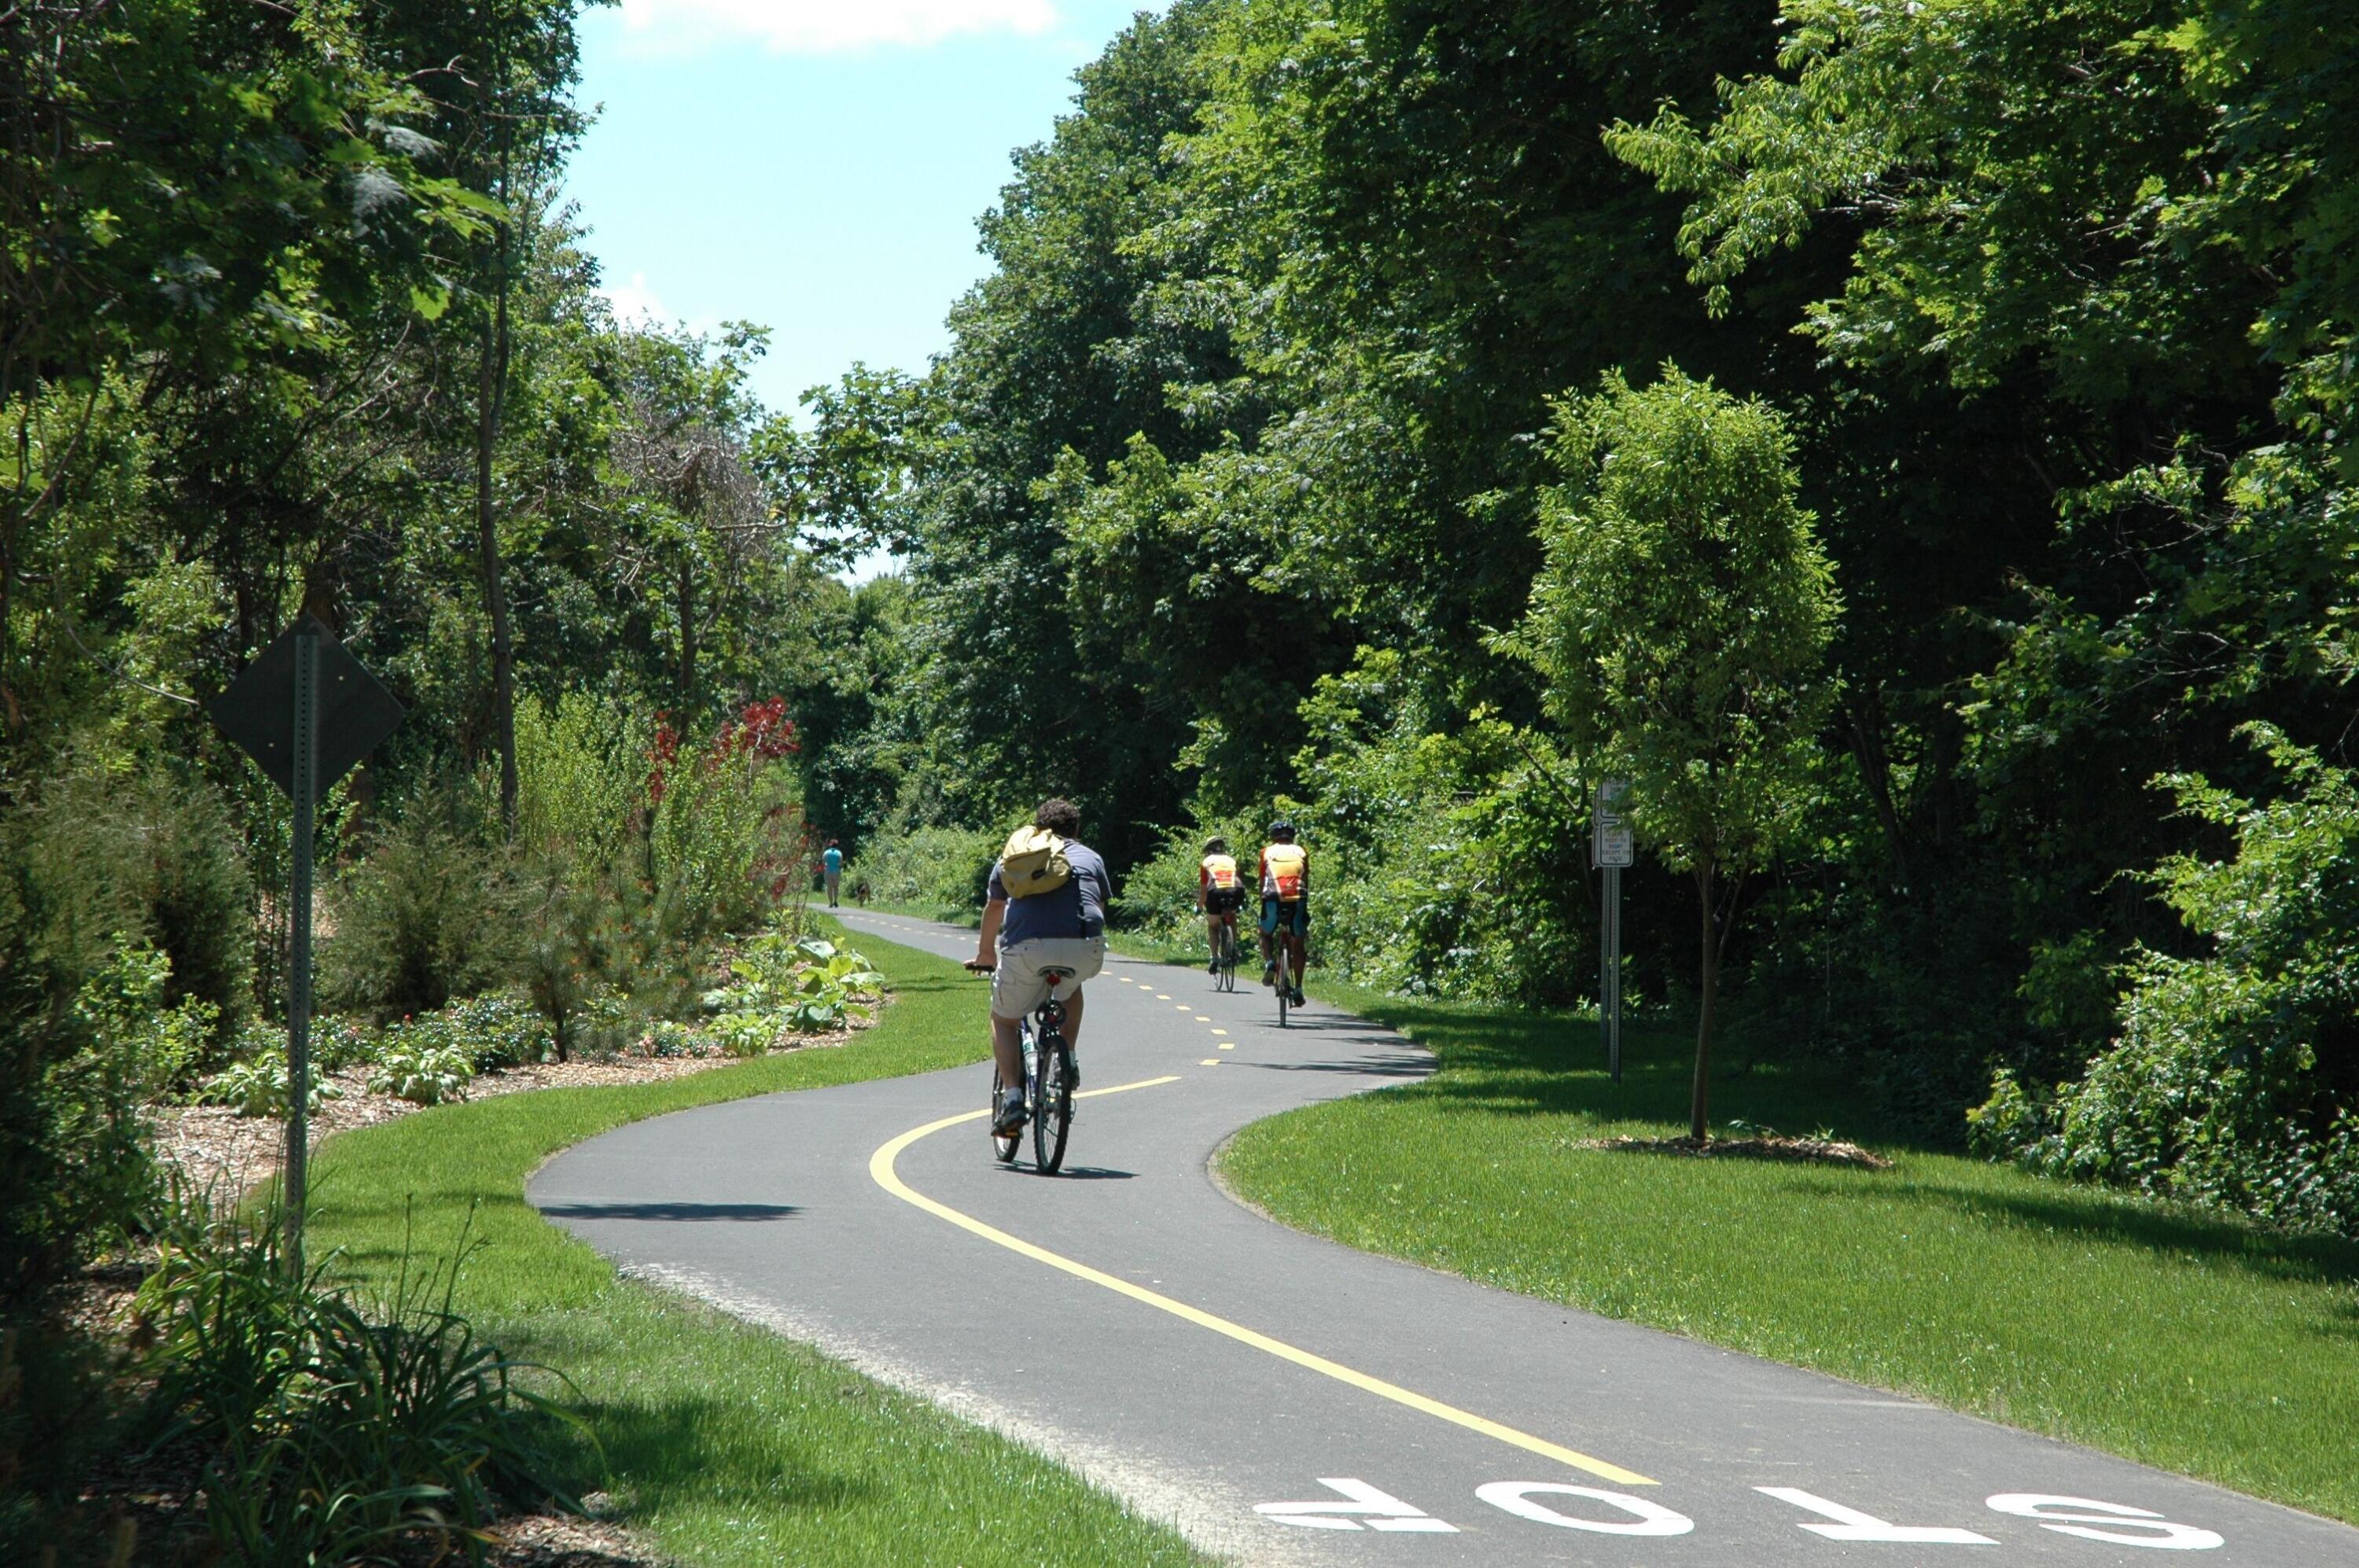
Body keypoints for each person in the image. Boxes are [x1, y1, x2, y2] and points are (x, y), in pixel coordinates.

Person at [966, 799, 1113, 1136]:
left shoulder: (1018, 853)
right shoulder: (1091, 857)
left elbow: (995, 906)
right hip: (1085, 946)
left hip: (1027, 948)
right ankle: (1068, 1060)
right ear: (1076, 829)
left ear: (1038, 826)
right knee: (1071, 989)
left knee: (1005, 1020)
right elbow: (1099, 906)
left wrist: (985, 953)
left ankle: (1014, 1098)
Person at [1257, 819, 1308, 1007]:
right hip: (1297, 898)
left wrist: (1261, 900)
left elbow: (1262, 879)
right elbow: (1306, 878)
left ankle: (1270, 962)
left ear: (1273, 837)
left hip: (1272, 898)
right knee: (1298, 940)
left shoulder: (1266, 852)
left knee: (1265, 933)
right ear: (1292, 837)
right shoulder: (1301, 851)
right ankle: (1299, 989)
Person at [1198, 836, 1246, 974]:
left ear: (1208, 851)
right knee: (1232, 916)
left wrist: (1200, 906)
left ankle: (1214, 958)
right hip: (1235, 890)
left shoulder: (1206, 862)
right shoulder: (1232, 860)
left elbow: (1203, 890)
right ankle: (1234, 948)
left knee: (1213, 926)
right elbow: (1238, 878)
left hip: (1215, 891)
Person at [821, 838, 844, 907]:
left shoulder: (826, 853)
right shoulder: (839, 853)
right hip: (836, 871)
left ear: (830, 845)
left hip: (828, 871)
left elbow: (823, 862)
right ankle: (835, 901)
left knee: (829, 887)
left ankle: (830, 902)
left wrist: (826, 865)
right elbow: (841, 863)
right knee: (836, 887)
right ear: (837, 845)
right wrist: (838, 866)